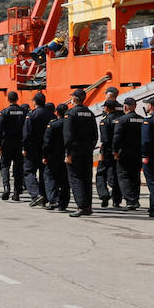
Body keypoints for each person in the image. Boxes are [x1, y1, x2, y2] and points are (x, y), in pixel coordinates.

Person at [63, 89, 99, 217]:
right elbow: (95, 134)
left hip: (75, 152)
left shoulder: (70, 114)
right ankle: (88, 206)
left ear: (74, 99)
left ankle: (81, 206)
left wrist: (68, 154)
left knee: (76, 178)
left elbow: (68, 136)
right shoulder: (90, 113)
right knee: (86, 178)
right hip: (87, 151)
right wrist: (90, 147)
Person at [113, 97, 145, 210]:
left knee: (124, 176)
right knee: (135, 176)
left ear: (125, 107)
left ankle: (130, 201)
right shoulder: (142, 119)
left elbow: (117, 138)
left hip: (124, 153)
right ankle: (135, 199)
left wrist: (115, 151)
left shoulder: (121, 120)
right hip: (138, 152)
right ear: (135, 106)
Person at [0, 91, 27, 200]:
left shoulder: (4, 112)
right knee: (18, 168)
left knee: (4, 166)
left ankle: (6, 188)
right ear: (17, 99)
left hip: (7, 143)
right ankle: (17, 193)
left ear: (8, 100)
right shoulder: (24, 112)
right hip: (19, 143)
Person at [23, 92, 52, 206]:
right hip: (47, 148)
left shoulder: (32, 115)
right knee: (44, 172)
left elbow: (26, 134)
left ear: (34, 102)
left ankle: (36, 195)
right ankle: (44, 197)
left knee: (29, 172)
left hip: (33, 148)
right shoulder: (51, 114)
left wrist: (25, 147)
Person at [95, 99, 124, 209]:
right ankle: (117, 201)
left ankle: (104, 195)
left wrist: (102, 153)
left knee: (101, 174)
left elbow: (105, 140)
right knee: (115, 175)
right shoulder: (119, 119)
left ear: (107, 108)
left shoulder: (104, 120)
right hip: (117, 151)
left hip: (107, 152)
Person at [42, 104, 69, 211]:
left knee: (49, 177)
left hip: (53, 156)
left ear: (56, 112)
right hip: (66, 155)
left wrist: (44, 155)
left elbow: (47, 142)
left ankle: (54, 200)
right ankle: (63, 203)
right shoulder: (70, 124)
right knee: (64, 180)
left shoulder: (53, 124)